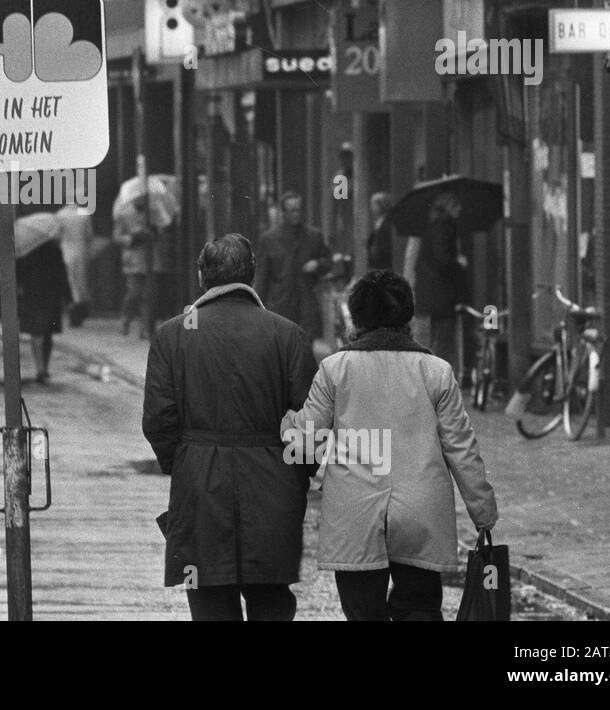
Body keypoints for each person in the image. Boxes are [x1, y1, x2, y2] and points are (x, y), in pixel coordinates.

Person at [281, 269, 497, 620]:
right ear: (407, 316)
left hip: (355, 513)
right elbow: (462, 447)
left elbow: (306, 443)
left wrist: (287, 421)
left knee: (364, 612)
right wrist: (483, 511)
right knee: (419, 608)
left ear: (356, 318)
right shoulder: (436, 371)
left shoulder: (335, 370)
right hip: (421, 512)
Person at [143, 234, 319, 621]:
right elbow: (311, 419)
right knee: (271, 595)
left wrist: (187, 461)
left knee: (208, 594)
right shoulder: (287, 333)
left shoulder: (173, 333)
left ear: (202, 275)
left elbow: (158, 419)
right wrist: (298, 473)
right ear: (252, 274)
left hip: (200, 481)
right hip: (275, 481)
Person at [254, 192, 332, 339]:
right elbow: (262, 277)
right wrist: (259, 308)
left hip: (306, 305)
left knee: (305, 349)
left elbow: (328, 261)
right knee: (282, 352)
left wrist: (318, 264)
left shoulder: (314, 236)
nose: (296, 214)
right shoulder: (269, 239)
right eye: (292, 210)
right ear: (283, 213)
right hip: (279, 306)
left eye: (299, 209)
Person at [413, 193, 468, 368]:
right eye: (456, 205)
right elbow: (442, 260)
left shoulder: (435, 227)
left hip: (434, 294)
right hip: (442, 295)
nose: (460, 209)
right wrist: (458, 262)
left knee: (439, 339)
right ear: (448, 207)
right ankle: (439, 381)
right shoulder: (443, 228)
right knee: (444, 341)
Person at [16, 231, 72, 384]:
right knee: (47, 335)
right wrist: (68, 297)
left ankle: (40, 368)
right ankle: (44, 368)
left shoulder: (26, 253)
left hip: (33, 297)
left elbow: (18, 275)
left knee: (37, 334)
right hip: (50, 297)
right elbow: (62, 275)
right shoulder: (55, 251)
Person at [114, 195, 169, 339]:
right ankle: (126, 318)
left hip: (151, 258)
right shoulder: (123, 213)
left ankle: (145, 328)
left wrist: (154, 232)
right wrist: (134, 237)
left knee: (149, 295)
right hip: (134, 258)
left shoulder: (154, 212)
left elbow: (162, 232)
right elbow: (117, 237)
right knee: (134, 293)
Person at [55, 204, 93, 326]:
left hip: (66, 250)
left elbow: (57, 235)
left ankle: (72, 310)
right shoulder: (84, 213)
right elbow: (89, 234)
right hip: (81, 249)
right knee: (81, 281)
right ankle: (80, 310)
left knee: (70, 282)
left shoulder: (60, 214)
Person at [365, 192, 394, 271]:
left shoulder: (388, 222)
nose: (371, 208)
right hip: (377, 265)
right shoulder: (378, 222)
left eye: (373, 205)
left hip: (384, 264)